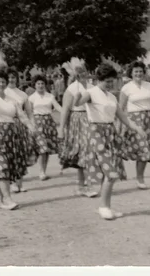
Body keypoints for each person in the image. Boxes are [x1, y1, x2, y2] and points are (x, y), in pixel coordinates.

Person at [74, 63, 147, 220]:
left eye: (112, 81)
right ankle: (103, 207)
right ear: (99, 79)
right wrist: (78, 89)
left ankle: (106, 206)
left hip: (110, 134)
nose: (110, 84)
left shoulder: (112, 97)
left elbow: (123, 118)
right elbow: (78, 103)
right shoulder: (91, 92)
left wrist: (138, 129)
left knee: (110, 173)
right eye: (107, 81)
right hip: (96, 134)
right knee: (110, 172)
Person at [0, 70, 32, 210]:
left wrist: (30, 127)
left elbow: (21, 115)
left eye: (3, 82)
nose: (1, 84)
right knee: (1, 166)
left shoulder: (11, 100)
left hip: (10, 136)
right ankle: (8, 199)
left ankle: (0, 199)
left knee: (4, 167)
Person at [118, 61, 150, 190]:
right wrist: (119, 125)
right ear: (131, 74)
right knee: (139, 148)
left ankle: (140, 178)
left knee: (145, 149)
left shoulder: (149, 86)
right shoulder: (126, 88)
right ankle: (118, 172)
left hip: (148, 120)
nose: (138, 74)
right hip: (133, 120)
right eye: (136, 72)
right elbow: (120, 109)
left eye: (140, 71)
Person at [57, 59, 97, 197]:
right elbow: (65, 110)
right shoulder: (72, 88)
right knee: (82, 152)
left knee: (90, 152)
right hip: (77, 121)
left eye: (84, 71)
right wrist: (61, 129)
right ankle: (85, 186)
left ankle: (84, 185)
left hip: (92, 120)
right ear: (76, 74)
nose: (82, 75)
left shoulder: (92, 88)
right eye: (79, 73)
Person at [5, 67, 37, 193]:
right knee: (10, 153)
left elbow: (29, 112)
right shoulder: (3, 93)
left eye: (13, 77)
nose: (11, 80)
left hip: (21, 125)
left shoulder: (22, 94)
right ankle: (12, 182)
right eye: (9, 77)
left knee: (21, 153)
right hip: (8, 124)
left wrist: (32, 126)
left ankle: (20, 182)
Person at [26, 74, 62, 181]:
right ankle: (41, 171)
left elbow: (57, 107)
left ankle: (43, 171)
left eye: (42, 83)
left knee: (46, 149)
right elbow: (29, 112)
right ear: (35, 85)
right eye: (38, 84)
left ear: (45, 85)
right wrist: (31, 125)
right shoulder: (31, 98)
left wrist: (66, 112)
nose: (40, 85)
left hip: (49, 123)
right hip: (37, 123)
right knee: (42, 148)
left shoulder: (50, 96)